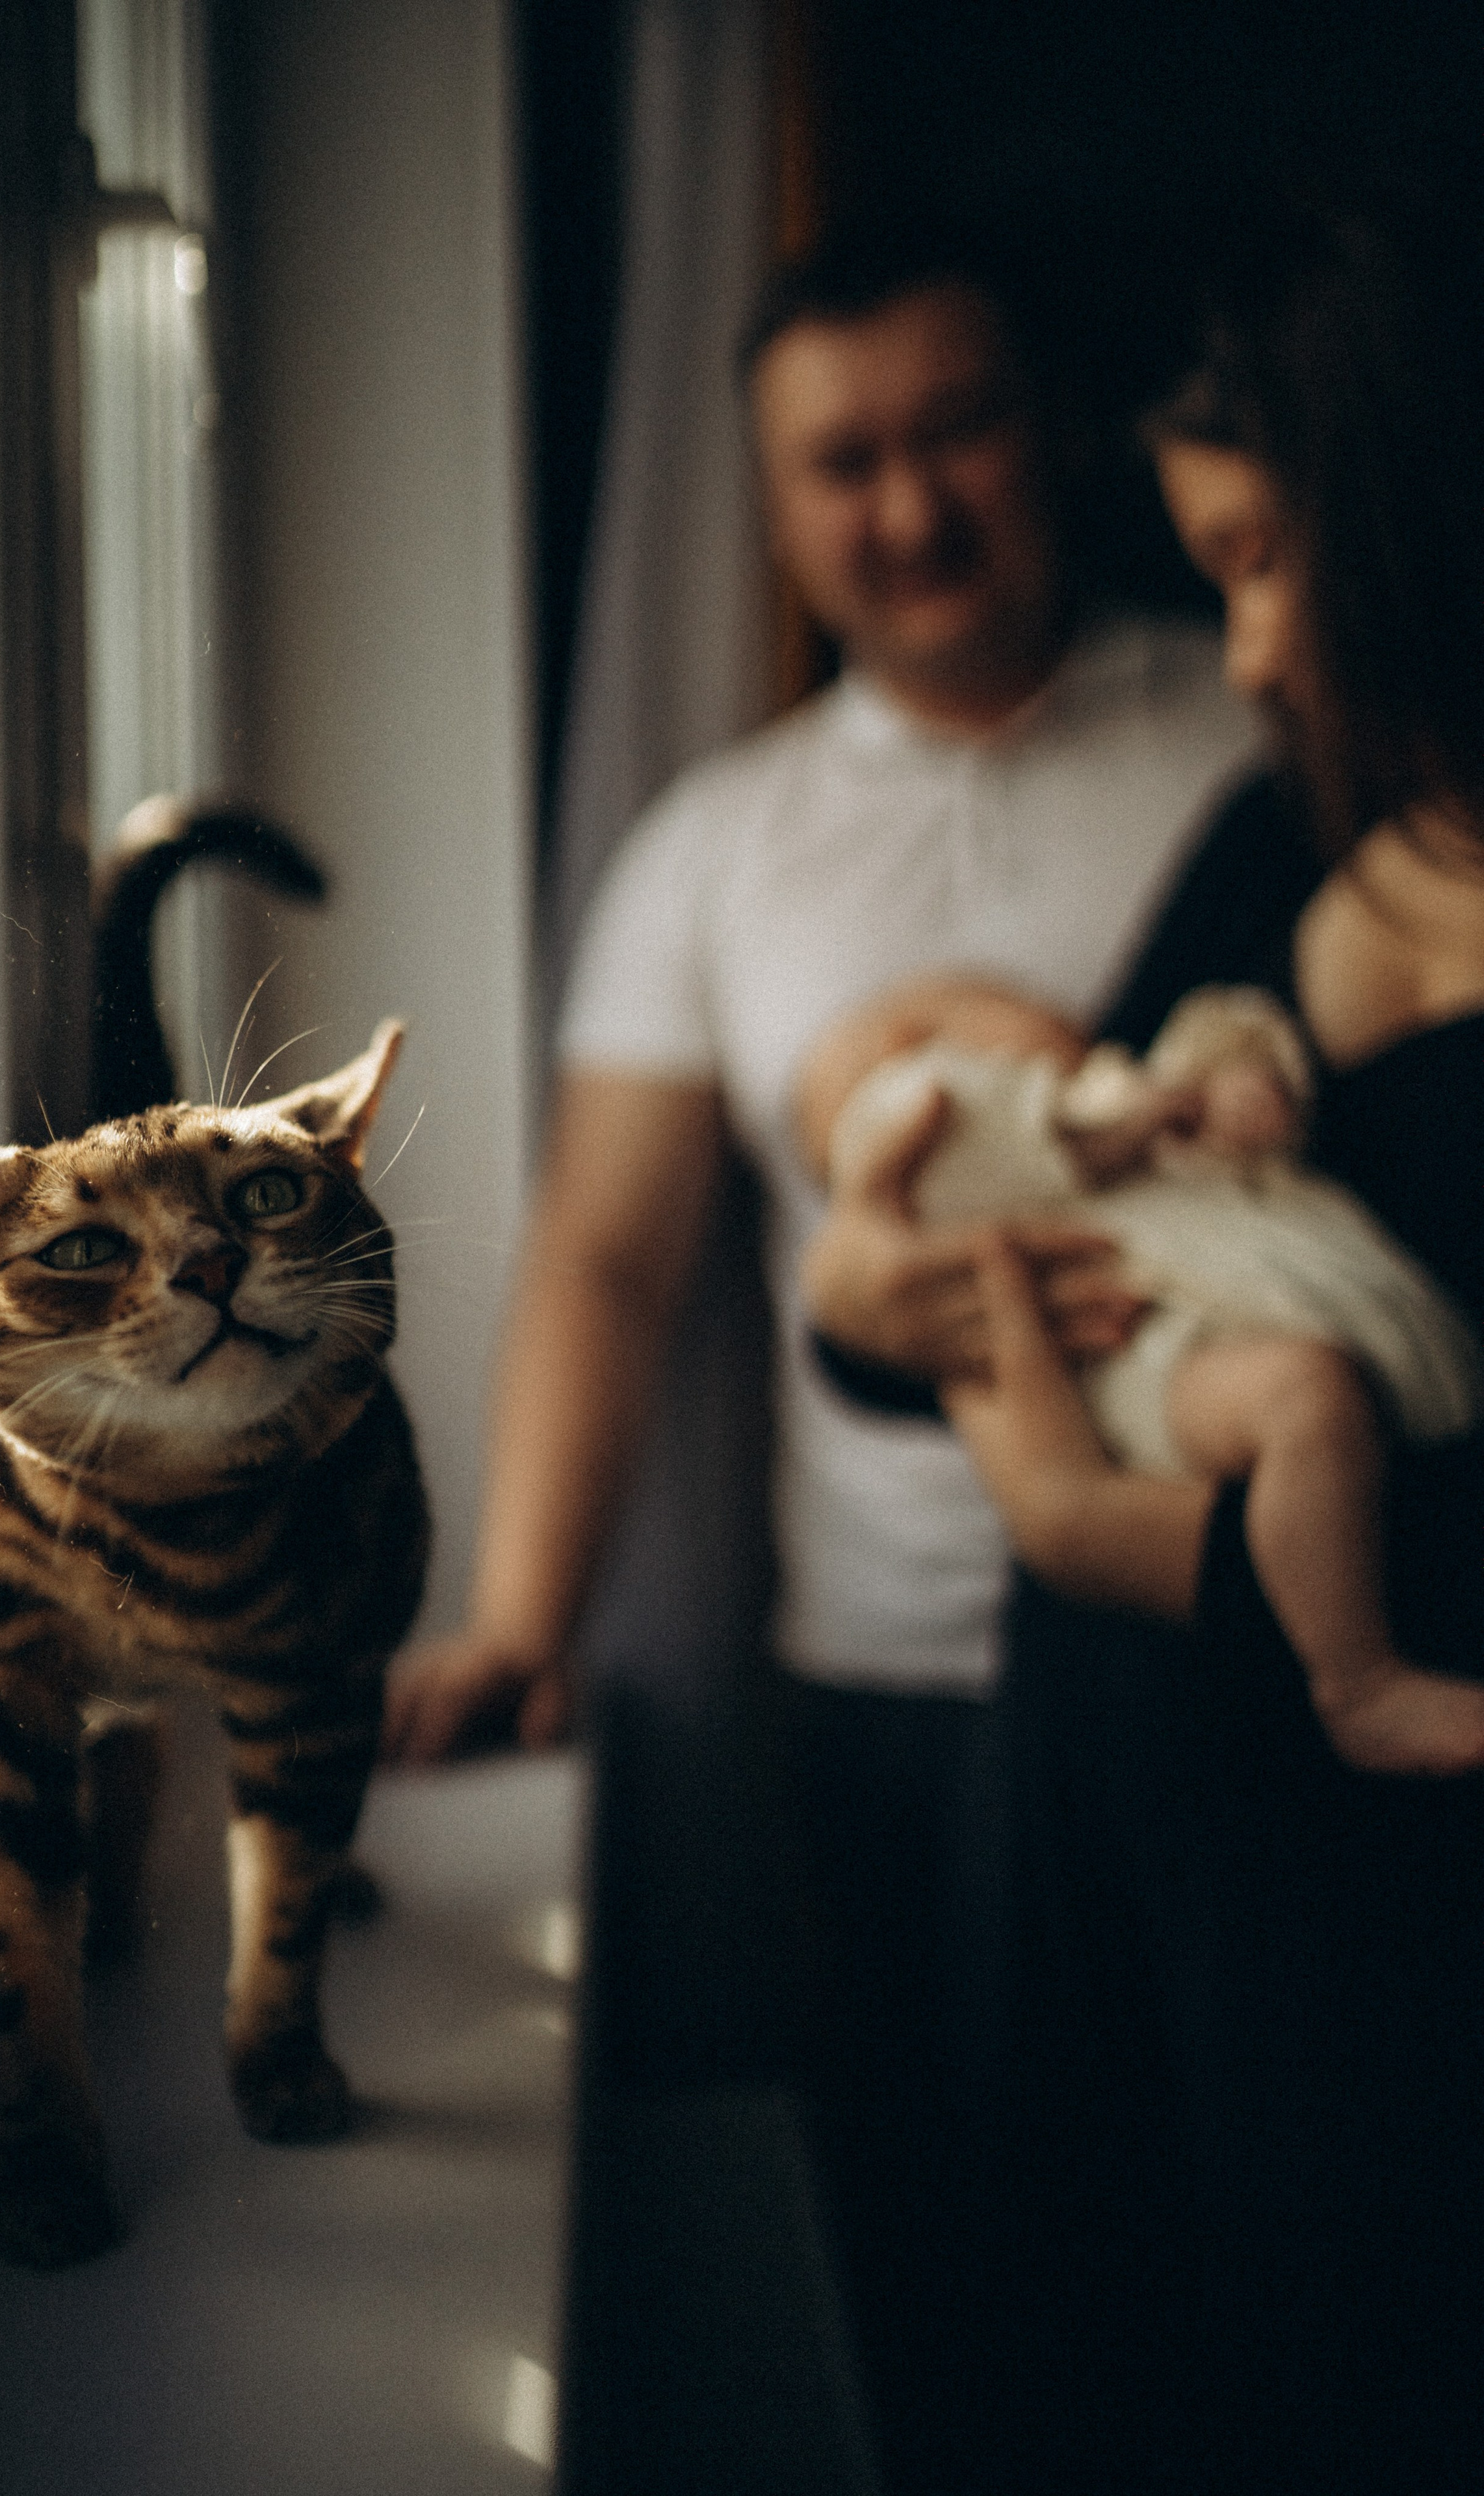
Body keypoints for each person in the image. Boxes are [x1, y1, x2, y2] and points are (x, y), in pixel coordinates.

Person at [383, 218, 1271, 2491]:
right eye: (842, 458)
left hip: (1248, 1621)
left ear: (1051, 425)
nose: (909, 503)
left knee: (1246, 2259)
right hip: (892, 1683)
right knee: (962, 2275)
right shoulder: (718, 850)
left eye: (955, 426)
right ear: (775, 502)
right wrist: (514, 1617)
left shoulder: (1264, 725)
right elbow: (604, 1258)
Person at [800, 194, 1484, 2495]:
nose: (1258, 647)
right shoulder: (1277, 841)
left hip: (1403, 1950)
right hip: (1108, 1868)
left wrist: (1132, 1542)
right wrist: (869, 1302)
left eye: (1279, 559)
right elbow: (1057, 1208)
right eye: (1214, 570)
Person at [802, 972, 1484, 1774]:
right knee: (1304, 1398)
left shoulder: (1114, 1080)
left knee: (1329, 1394)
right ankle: (1360, 1681)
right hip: (1156, 1348)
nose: (1027, 1003)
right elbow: (982, 1147)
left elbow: (1223, 1038)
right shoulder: (924, 1108)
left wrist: (1242, 1082)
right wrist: (1138, 1124)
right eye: (965, 1002)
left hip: (1277, 1306)